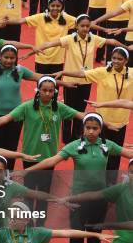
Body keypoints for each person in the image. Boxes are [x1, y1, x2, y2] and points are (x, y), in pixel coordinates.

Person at [23, 112, 133, 243]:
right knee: (76, 237)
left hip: (100, 199)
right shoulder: (74, 146)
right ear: (83, 128)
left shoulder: (107, 145)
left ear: (100, 129)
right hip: (77, 199)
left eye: (95, 128)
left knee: (95, 236)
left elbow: (127, 152)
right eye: (88, 128)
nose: (91, 131)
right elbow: (52, 160)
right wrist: (28, 170)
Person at [0, 76, 83, 222]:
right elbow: (6, 119)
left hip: (49, 159)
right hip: (30, 157)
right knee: (28, 193)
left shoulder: (59, 108)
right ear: (38, 90)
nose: (48, 94)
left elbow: (81, 115)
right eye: (44, 90)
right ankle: (28, 222)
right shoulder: (27, 107)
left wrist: (103, 122)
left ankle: (40, 223)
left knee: (44, 193)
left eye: (51, 91)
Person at [23, 15, 126, 143]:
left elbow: (112, 42)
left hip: (86, 80)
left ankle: (76, 136)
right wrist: (31, 51)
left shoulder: (93, 38)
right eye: (82, 26)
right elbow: (50, 43)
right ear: (76, 26)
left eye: (88, 26)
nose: (85, 28)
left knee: (80, 110)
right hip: (70, 80)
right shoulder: (70, 39)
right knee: (68, 110)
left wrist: (126, 48)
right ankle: (66, 138)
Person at [54, 47, 132, 186]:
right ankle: (97, 182)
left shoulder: (131, 73)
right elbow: (83, 74)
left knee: (115, 154)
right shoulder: (103, 72)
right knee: (101, 152)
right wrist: (64, 71)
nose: (116, 61)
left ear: (126, 60)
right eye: (114, 58)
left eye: (120, 59)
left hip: (121, 121)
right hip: (102, 122)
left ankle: (110, 183)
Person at [3, 0, 76, 75]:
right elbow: (21, 21)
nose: (55, 8)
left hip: (58, 59)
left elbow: (82, 22)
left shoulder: (67, 18)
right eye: (52, 6)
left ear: (62, 7)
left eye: (58, 6)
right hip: (41, 58)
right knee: (41, 84)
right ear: (48, 6)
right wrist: (7, 21)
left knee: (55, 85)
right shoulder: (40, 17)